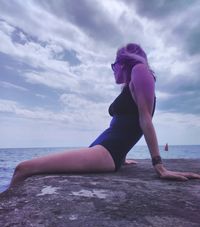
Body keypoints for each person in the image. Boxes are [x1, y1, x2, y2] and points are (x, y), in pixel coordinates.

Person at [7, 43, 200, 190]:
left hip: (107, 152)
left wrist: (159, 166)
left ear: (122, 62)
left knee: (23, 168)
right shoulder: (130, 83)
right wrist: (123, 157)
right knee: (24, 169)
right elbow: (126, 122)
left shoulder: (139, 70)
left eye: (113, 64)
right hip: (106, 150)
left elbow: (145, 119)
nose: (113, 69)